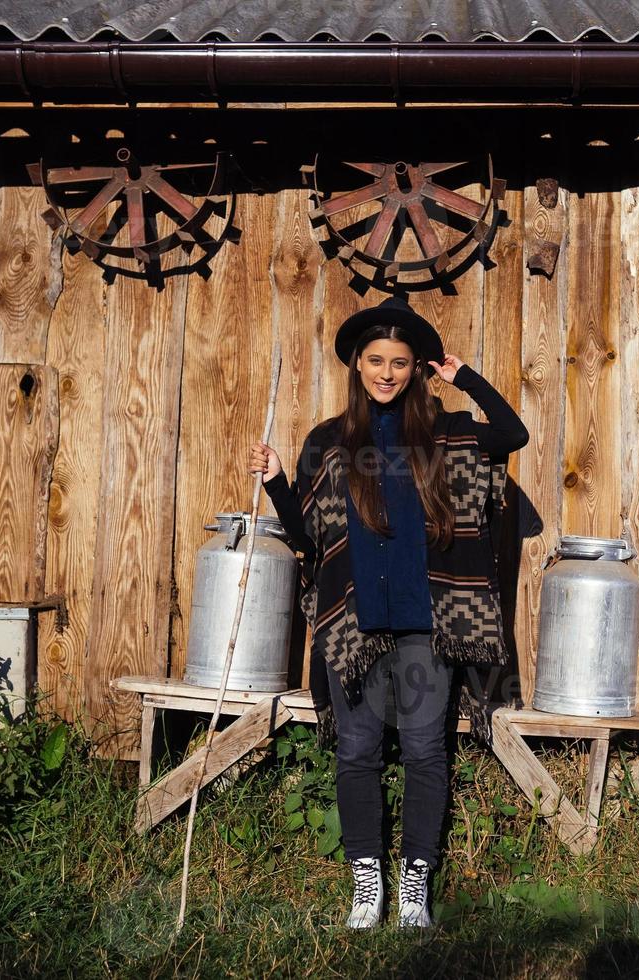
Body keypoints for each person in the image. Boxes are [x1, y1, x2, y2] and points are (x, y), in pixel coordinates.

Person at [248, 294, 528, 929]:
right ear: (357, 365)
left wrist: (463, 376)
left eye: (401, 363)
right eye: (376, 360)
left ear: (415, 368)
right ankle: (365, 884)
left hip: (428, 625)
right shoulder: (328, 442)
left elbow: (513, 434)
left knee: (428, 750)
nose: (387, 373)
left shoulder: (445, 431)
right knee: (357, 751)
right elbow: (309, 539)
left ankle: (414, 888)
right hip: (356, 621)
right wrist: (274, 483)